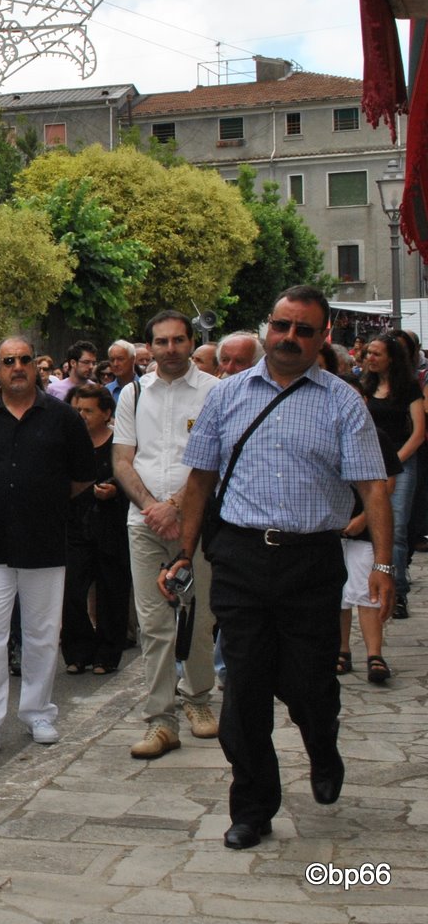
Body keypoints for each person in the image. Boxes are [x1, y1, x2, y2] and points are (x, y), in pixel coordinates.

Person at [173, 285, 393, 850]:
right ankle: (252, 807)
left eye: (304, 330)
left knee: (308, 684)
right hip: (243, 557)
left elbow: (372, 487)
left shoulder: (344, 403)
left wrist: (384, 568)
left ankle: (322, 743)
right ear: (267, 327)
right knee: (244, 691)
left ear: (322, 338)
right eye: (282, 326)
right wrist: (183, 554)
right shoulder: (226, 397)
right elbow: (199, 480)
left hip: (311, 561)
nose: (290, 338)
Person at [0, 337, 96, 753]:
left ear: (37, 367)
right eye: (8, 360)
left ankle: (38, 713)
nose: (17, 366)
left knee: (42, 633)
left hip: (45, 540)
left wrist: (43, 496)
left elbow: (83, 474)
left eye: (24, 360)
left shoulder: (64, 418)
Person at [112, 310, 221, 760]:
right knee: (154, 625)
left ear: (191, 342)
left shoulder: (216, 392)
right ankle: (161, 720)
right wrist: (152, 508)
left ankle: (197, 701)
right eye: (161, 342)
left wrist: (176, 505)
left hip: (196, 524)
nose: (170, 349)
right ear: (149, 347)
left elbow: (214, 461)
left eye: (178, 340)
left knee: (198, 618)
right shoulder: (132, 394)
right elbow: (122, 459)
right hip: (145, 525)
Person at [59, 385, 131, 676]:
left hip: (111, 525)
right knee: (71, 590)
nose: (82, 416)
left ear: (106, 413)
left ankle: (107, 654)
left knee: (111, 591)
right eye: (77, 410)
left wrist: (116, 490)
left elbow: (133, 479)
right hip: (74, 525)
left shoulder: (119, 444)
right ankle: (77, 651)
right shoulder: (66, 442)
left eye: (88, 410)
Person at [339, 374, 401, 685]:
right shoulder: (322, 432)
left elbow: (386, 484)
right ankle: (341, 649)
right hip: (330, 527)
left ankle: (374, 653)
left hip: (363, 526)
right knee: (338, 593)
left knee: (365, 590)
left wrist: (363, 518)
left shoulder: (377, 436)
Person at [360, 332, 424, 620]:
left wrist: (393, 462)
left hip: (401, 460)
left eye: (376, 354)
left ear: (391, 359)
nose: (370, 358)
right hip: (368, 464)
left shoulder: (408, 388)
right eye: (368, 353)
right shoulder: (363, 385)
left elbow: (419, 433)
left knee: (396, 526)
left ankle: (397, 592)